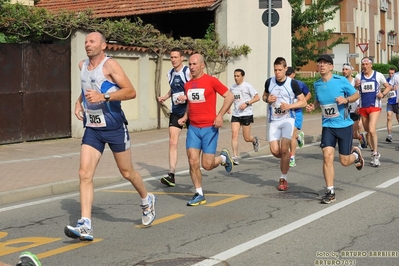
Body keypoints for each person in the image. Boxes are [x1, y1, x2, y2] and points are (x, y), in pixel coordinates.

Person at [64, 32, 156, 241]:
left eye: (92, 41)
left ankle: (146, 198)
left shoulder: (110, 66)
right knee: (84, 173)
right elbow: (88, 87)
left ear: (103, 45)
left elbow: (130, 92)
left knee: (127, 172)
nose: (88, 44)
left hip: (115, 126)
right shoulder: (82, 66)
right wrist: (79, 102)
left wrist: (104, 96)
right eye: (86, 41)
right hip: (93, 128)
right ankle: (85, 224)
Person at [306, 54, 364, 204]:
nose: (322, 65)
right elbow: (319, 100)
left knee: (344, 161)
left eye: (325, 63)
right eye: (319, 63)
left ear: (331, 67)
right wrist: (314, 106)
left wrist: (346, 99)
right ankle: (330, 191)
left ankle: (356, 155)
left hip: (344, 125)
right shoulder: (317, 84)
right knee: (327, 156)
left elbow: (356, 95)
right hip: (328, 126)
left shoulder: (341, 81)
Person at [177, 53, 234, 206]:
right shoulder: (188, 84)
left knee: (207, 165)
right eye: (190, 64)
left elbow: (229, 96)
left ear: (202, 65)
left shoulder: (211, 81)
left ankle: (223, 158)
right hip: (193, 128)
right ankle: (199, 193)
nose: (191, 67)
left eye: (194, 64)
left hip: (210, 128)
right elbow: (191, 102)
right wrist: (185, 117)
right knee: (192, 160)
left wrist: (220, 115)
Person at [262, 57, 307, 191]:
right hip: (274, 120)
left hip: (288, 119)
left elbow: (303, 102)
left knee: (283, 148)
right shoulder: (269, 82)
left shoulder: (292, 84)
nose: (277, 73)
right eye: (275, 70)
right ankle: (287, 157)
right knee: (275, 151)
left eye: (280, 70)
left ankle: (283, 178)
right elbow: (264, 96)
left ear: (285, 69)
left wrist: (289, 106)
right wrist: (267, 99)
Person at [158, 47, 191, 187]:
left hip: (191, 111)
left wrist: (187, 96)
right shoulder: (169, 73)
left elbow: (194, 86)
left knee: (193, 146)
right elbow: (173, 88)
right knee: (172, 142)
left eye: (175, 57)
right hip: (176, 110)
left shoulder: (188, 72)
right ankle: (171, 175)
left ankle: (206, 163)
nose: (173, 60)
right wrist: (165, 97)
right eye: (171, 57)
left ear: (182, 58)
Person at [355, 57, 391, 167]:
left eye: (366, 64)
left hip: (374, 106)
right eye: (363, 64)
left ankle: (375, 154)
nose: (364, 66)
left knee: (371, 129)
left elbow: (388, 86)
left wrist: (383, 94)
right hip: (363, 107)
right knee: (368, 133)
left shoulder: (378, 75)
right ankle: (373, 152)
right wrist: (355, 86)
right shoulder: (358, 76)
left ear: (371, 65)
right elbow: (355, 91)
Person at [229, 68, 260, 165]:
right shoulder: (232, 88)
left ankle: (254, 140)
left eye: (238, 76)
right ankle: (235, 156)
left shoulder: (247, 86)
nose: (236, 78)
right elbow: (230, 99)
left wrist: (247, 103)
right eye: (234, 76)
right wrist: (228, 107)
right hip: (236, 114)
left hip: (246, 114)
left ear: (243, 76)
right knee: (234, 135)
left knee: (246, 138)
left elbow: (257, 97)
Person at [285, 66, 312, 167]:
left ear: (293, 74)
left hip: (297, 112)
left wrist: (301, 101)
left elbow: (309, 94)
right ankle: (299, 137)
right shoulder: (283, 85)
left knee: (291, 134)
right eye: (286, 74)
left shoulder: (299, 84)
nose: (287, 76)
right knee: (287, 135)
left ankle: (292, 158)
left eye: (289, 74)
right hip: (286, 113)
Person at [342, 63, 367, 149]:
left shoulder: (355, 80)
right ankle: (351, 144)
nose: (344, 71)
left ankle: (360, 138)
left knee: (355, 130)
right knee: (346, 130)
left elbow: (361, 94)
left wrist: (359, 106)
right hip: (344, 109)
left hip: (355, 108)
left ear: (351, 71)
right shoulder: (341, 81)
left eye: (346, 69)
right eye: (343, 69)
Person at [385, 67, 399, 142]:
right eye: (389, 73)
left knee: (398, 118)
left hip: (397, 102)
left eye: (392, 73)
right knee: (389, 117)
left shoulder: (397, 78)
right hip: (390, 102)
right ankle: (389, 135)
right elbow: (385, 89)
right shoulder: (386, 81)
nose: (390, 75)